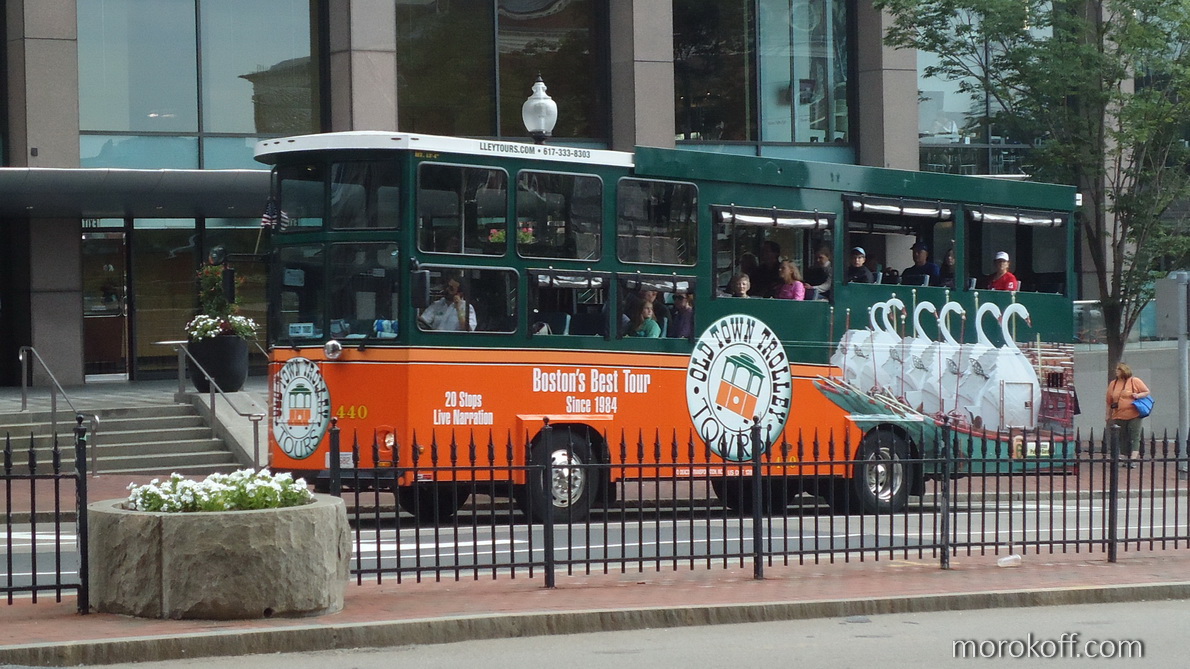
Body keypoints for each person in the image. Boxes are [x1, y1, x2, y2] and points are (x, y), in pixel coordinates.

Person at [1106, 362, 1151, 468]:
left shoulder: (1134, 381)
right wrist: (1108, 415)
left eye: (1118, 370)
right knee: (1123, 437)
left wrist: (1138, 395)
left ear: (1124, 371)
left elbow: (1146, 392)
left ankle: (1133, 459)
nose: (1116, 372)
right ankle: (1126, 457)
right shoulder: (1113, 384)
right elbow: (1109, 401)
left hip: (1134, 414)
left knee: (1134, 435)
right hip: (1119, 414)